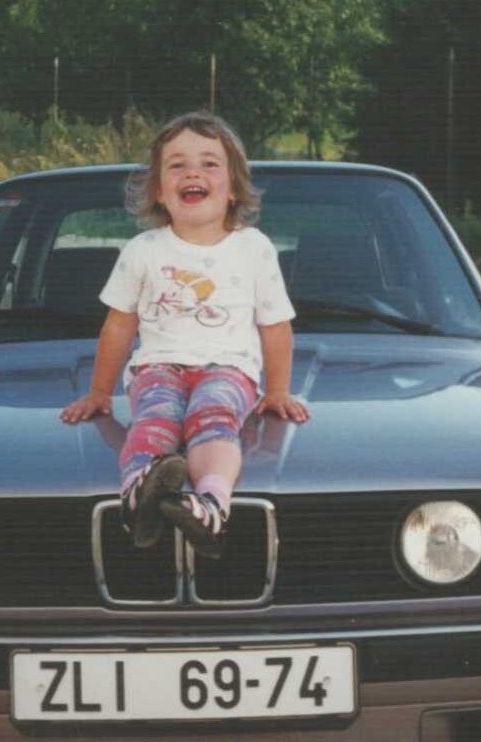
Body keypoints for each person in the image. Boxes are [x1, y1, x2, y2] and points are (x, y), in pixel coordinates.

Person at [59, 111, 309, 558]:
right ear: (159, 190)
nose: (193, 173)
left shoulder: (253, 248)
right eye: (177, 165)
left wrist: (277, 390)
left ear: (233, 188)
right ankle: (138, 494)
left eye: (209, 164)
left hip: (228, 369)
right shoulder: (143, 251)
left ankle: (210, 505)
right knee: (153, 419)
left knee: (214, 418)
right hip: (157, 368)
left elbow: (275, 325)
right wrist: (99, 391)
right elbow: (119, 325)